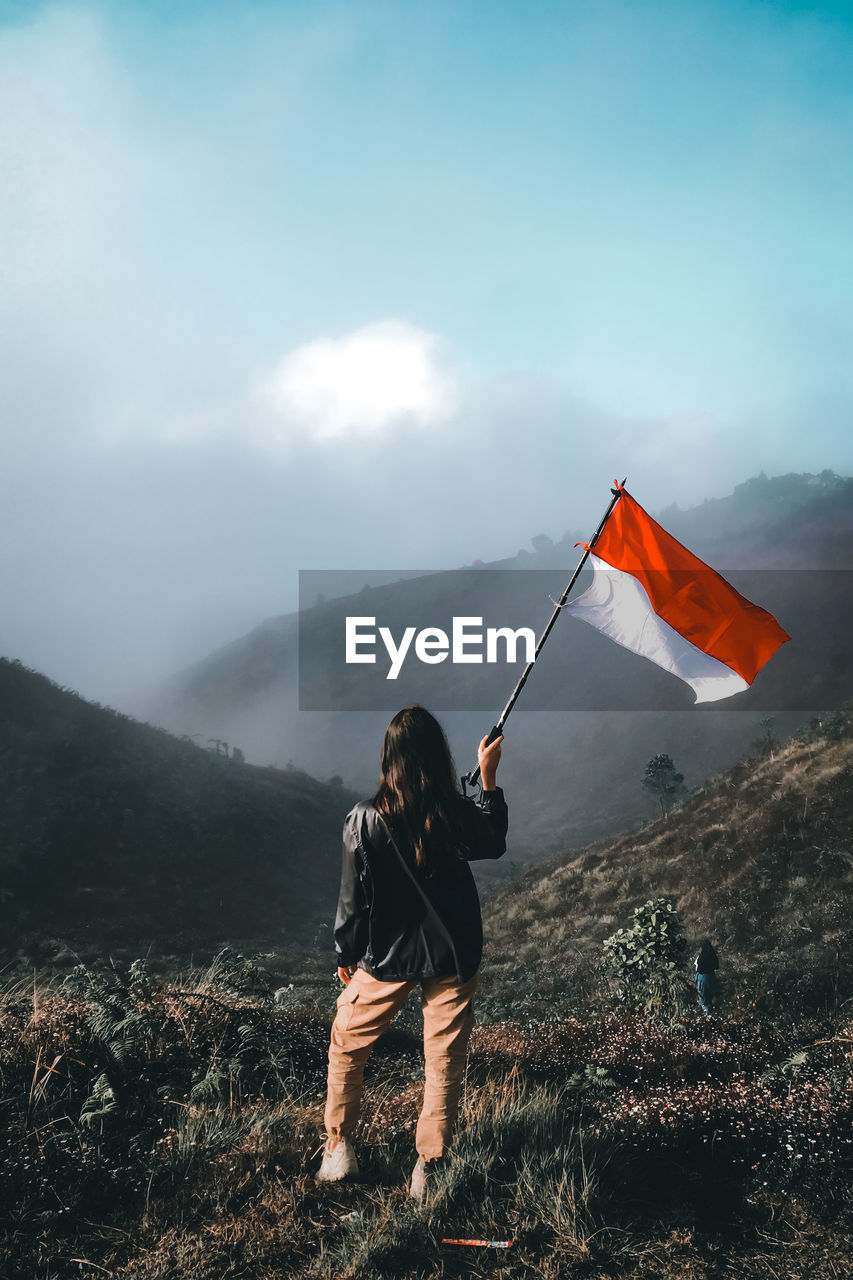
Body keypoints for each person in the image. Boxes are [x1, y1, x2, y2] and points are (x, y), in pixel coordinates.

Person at [316, 705, 507, 1199]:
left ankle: (339, 1150)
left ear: (389, 757)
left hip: (386, 957)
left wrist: (346, 951)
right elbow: (493, 840)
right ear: (436, 756)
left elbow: (351, 898)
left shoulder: (361, 819)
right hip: (453, 953)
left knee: (347, 1044)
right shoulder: (453, 811)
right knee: (444, 1059)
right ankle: (430, 1167)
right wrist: (487, 780)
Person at [694, 938, 720, 1018]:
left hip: (702, 978)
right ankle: (711, 1014)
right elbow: (717, 966)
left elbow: (698, 969)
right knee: (710, 995)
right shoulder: (713, 956)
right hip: (711, 977)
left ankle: (706, 1014)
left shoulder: (700, 957)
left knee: (703, 995)